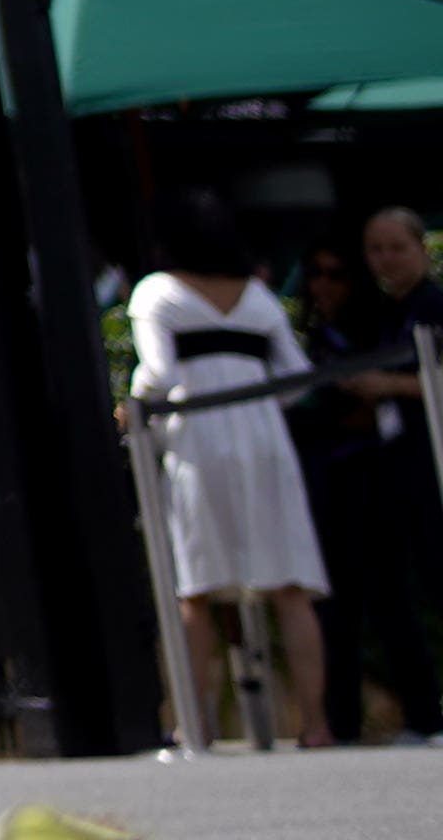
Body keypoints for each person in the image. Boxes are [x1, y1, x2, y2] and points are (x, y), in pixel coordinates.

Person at [131, 197, 333, 748]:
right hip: (265, 440)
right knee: (291, 587)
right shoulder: (258, 296)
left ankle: (195, 727)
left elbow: (158, 372)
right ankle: (316, 726)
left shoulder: (157, 292)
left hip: (199, 441)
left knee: (197, 591)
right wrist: (259, 411)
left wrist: (133, 409)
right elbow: (296, 375)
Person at [314, 206, 439, 741]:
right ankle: (423, 716)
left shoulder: (434, 304)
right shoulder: (386, 312)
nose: (386, 258)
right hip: (396, 468)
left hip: (431, 462)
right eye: (376, 249)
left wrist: (389, 387)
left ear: (422, 248)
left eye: (397, 246)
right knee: (405, 592)